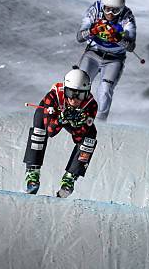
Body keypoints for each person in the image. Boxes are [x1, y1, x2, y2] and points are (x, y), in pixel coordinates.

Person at [23, 67, 98, 198]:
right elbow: (51, 131)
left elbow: (78, 137)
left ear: (87, 93)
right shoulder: (53, 96)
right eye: (71, 93)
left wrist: (77, 125)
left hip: (65, 119)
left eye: (80, 95)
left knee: (90, 135)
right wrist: (62, 118)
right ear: (65, 89)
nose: (74, 100)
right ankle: (32, 172)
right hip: (53, 117)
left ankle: (70, 177)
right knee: (39, 128)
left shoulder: (91, 105)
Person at [76, 0, 136, 121]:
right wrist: (92, 31)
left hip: (114, 59)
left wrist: (119, 39)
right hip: (93, 54)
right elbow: (79, 37)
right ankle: (75, 112)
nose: (110, 14)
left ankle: (100, 122)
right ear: (102, 5)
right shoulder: (95, 10)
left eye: (116, 11)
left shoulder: (127, 16)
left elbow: (131, 46)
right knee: (80, 83)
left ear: (122, 8)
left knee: (105, 89)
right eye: (107, 8)